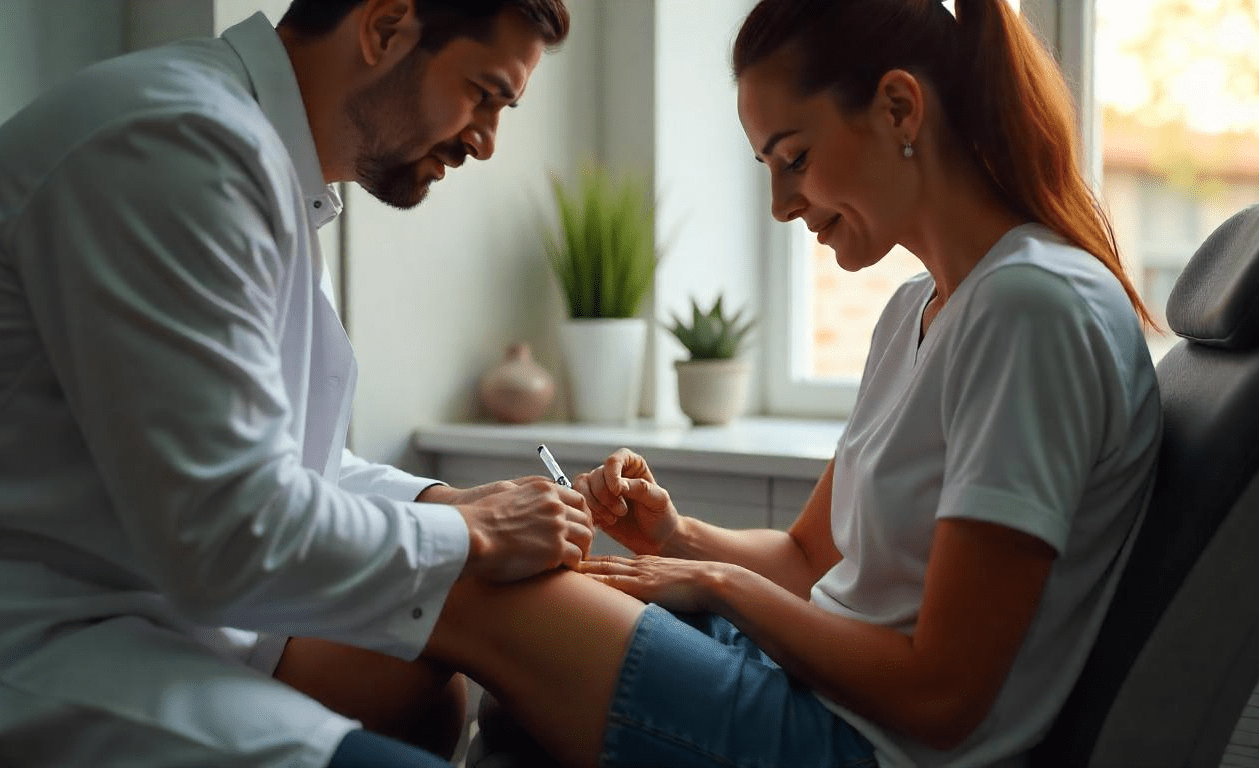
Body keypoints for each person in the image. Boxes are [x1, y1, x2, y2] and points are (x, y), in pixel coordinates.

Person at [405, 0, 1165, 766]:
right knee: (517, 610)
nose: (779, 205)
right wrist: (674, 537)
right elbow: (807, 560)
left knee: (471, 589)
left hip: (863, 742)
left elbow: (943, 699)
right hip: (800, 684)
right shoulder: (919, 310)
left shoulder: (1032, 309)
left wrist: (718, 584)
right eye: (768, 169)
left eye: (794, 158)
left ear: (900, 108)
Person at [0, 1, 584, 766]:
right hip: (24, 642)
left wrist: (450, 504)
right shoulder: (179, 144)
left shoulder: (265, 164)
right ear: (385, 26)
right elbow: (228, 530)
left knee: (432, 681)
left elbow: (290, 464)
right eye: (484, 92)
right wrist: (477, 534)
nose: (486, 140)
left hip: (159, 609)